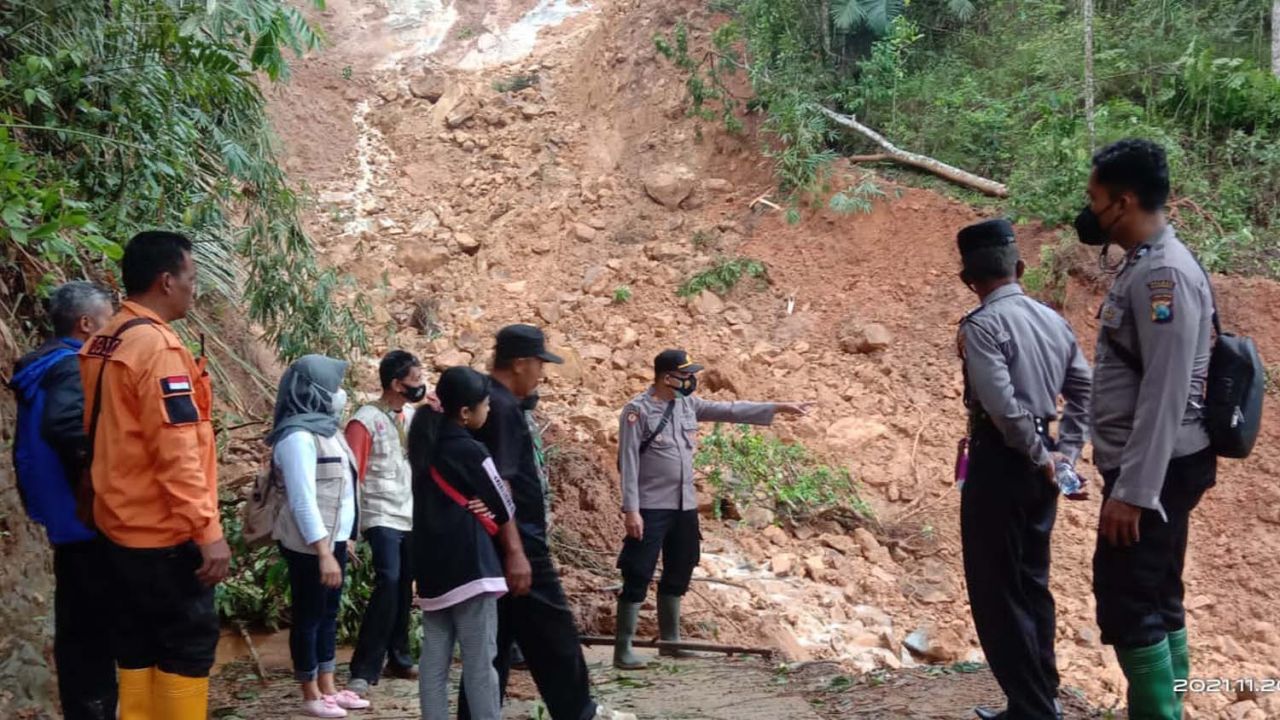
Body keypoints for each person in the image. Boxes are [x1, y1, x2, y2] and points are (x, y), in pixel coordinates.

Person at [1078, 139, 1217, 720]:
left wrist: (1134, 492)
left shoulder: (1164, 275)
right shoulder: (1145, 262)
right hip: (1162, 464)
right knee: (1158, 592)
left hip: (1156, 472)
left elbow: (1165, 390)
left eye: (1095, 198)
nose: (1089, 209)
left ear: (1125, 201)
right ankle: (1169, 708)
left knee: (1129, 602)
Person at [80, 231, 230, 720]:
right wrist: (208, 532)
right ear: (166, 281)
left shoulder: (105, 339)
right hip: (163, 534)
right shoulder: (158, 349)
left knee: (137, 649)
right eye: (191, 278)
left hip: (117, 527)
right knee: (186, 650)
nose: (193, 289)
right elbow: (176, 451)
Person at [458, 324, 635, 720]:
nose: (543, 374)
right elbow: (500, 485)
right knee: (554, 634)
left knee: (496, 642)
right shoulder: (501, 407)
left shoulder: (491, 400)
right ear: (520, 363)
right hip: (519, 544)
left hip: (496, 545)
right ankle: (579, 712)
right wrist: (516, 552)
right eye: (540, 364)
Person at [954, 218, 1092, 720]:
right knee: (1032, 581)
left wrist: (1037, 454)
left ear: (967, 279)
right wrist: (1064, 453)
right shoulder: (1053, 321)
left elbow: (1003, 408)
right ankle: (1039, 696)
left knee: (997, 589)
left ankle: (1032, 708)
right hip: (1042, 461)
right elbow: (1085, 389)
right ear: (1021, 267)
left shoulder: (981, 326)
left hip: (1002, 460)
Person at [612, 349, 810, 669]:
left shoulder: (688, 404)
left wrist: (776, 407)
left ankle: (671, 643)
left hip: (684, 505)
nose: (691, 380)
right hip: (650, 506)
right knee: (638, 570)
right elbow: (629, 462)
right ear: (666, 377)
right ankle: (623, 650)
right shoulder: (637, 411)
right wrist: (631, 509)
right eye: (685, 375)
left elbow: (730, 410)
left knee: (681, 566)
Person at [10, 281, 116, 720]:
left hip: (63, 517)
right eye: (109, 320)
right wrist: (103, 481)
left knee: (79, 628)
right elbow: (68, 427)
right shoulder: (73, 365)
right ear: (86, 324)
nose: (114, 331)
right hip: (85, 519)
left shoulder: (43, 366)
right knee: (94, 633)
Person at [409, 366, 517, 720]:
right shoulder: (472, 450)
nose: (489, 409)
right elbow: (505, 506)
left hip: (432, 568)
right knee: (480, 661)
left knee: (434, 660)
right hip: (471, 567)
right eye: (485, 404)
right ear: (466, 412)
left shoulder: (424, 446)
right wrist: (491, 502)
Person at [267, 355, 372, 718]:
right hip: (309, 544)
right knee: (309, 616)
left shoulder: (328, 431)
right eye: (333, 387)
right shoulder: (296, 437)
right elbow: (303, 500)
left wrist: (347, 538)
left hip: (334, 540)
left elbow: (344, 491)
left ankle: (328, 686)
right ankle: (310, 692)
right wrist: (324, 552)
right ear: (312, 391)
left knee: (328, 614)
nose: (339, 393)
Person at [346, 350, 427, 696]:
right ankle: (364, 668)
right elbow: (352, 478)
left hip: (408, 512)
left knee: (405, 583)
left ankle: (399, 656)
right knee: (389, 580)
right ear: (396, 384)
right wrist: (349, 530)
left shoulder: (411, 415)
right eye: (415, 380)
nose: (421, 386)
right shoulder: (364, 421)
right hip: (379, 513)